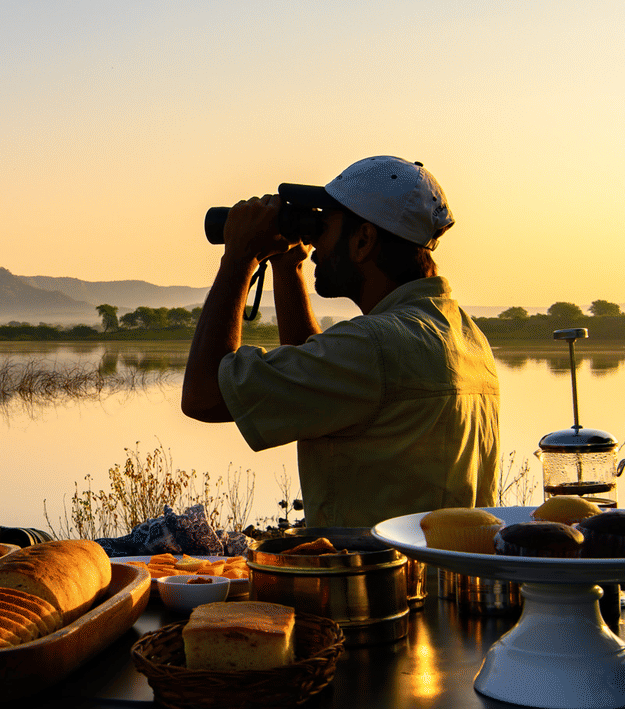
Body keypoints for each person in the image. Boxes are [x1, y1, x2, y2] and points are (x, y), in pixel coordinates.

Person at [181, 156, 499, 530]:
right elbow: (321, 387)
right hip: (442, 577)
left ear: (363, 239)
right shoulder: (465, 336)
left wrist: (238, 257)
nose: (314, 243)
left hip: (379, 582)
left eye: (324, 225)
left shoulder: (374, 346)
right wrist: (288, 269)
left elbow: (204, 395)